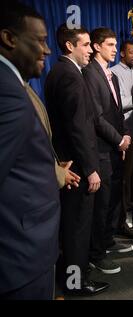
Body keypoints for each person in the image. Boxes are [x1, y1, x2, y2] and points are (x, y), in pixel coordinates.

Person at [0, 2, 74, 299]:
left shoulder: (17, 85)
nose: (46, 50)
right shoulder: (8, 93)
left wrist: (53, 169)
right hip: (20, 253)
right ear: (9, 38)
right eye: (40, 40)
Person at [45, 24, 109, 295]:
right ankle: (76, 282)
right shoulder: (70, 74)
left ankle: (73, 272)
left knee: (73, 226)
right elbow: (78, 127)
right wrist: (91, 168)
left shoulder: (61, 71)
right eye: (85, 45)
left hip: (69, 161)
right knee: (77, 228)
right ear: (70, 46)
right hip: (77, 166)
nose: (89, 51)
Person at [83, 27, 133, 275]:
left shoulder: (108, 74)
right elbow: (96, 117)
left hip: (113, 147)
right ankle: (96, 254)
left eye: (115, 45)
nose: (115, 49)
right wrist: (119, 140)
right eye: (111, 45)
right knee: (101, 205)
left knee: (113, 201)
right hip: (102, 148)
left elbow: (118, 111)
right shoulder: (90, 73)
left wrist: (124, 135)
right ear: (96, 46)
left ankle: (108, 241)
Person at [111, 39, 133, 236]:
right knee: (126, 176)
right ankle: (124, 214)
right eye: (131, 52)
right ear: (122, 54)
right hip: (126, 130)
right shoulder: (114, 72)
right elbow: (117, 103)